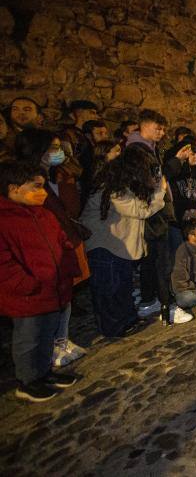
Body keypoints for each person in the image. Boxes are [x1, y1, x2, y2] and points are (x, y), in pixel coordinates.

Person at [0, 162, 80, 402]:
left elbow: (62, 242)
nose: (43, 192)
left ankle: (44, 372)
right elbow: (4, 263)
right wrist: (27, 285)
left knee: (47, 334)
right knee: (29, 339)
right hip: (27, 294)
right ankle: (28, 381)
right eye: (36, 187)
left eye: (44, 187)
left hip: (53, 288)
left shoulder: (44, 214)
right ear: (14, 189)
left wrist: (67, 268)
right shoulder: (5, 220)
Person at [14, 128, 90, 367]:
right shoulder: (26, 182)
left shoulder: (55, 176)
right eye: (54, 148)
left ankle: (61, 339)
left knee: (65, 296)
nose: (59, 153)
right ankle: (49, 349)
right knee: (49, 302)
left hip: (62, 241)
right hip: (44, 249)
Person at [81, 144, 167, 336]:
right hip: (105, 246)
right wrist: (160, 191)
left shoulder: (125, 185)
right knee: (109, 290)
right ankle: (113, 328)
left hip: (120, 246)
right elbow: (140, 210)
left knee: (123, 286)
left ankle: (128, 319)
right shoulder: (112, 188)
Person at [126, 109, 174, 321]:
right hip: (151, 212)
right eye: (158, 128)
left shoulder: (150, 149)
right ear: (144, 126)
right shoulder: (137, 151)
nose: (162, 133)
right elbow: (149, 183)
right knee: (156, 260)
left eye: (163, 129)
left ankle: (152, 299)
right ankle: (159, 303)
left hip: (156, 210)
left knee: (155, 259)